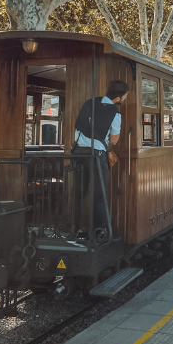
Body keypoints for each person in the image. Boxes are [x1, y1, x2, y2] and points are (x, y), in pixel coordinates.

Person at [73, 79, 128, 243]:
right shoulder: (115, 114)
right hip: (97, 156)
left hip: (77, 153)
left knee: (78, 192)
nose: (125, 98)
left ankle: (74, 228)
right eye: (125, 96)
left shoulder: (90, 103)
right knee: (99, 194)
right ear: (118, 98)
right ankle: (100, 231)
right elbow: (114, 140)